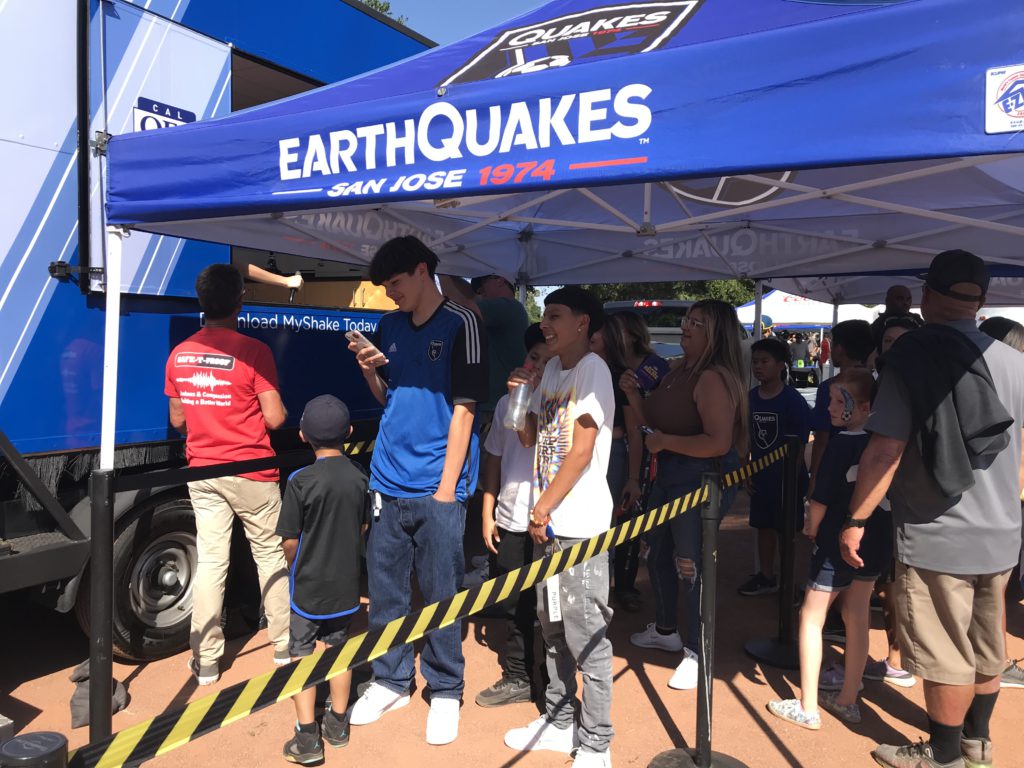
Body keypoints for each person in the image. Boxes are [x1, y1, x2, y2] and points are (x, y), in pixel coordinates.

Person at [840, 250, 1024, 768]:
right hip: (1003, 532)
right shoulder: (1015, 360)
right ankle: (977, 742)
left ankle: (942, 756)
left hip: (936, 529)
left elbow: (884, 451)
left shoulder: (913, 356)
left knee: (945, 654)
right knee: (987, 644)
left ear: (926, 296)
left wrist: (855, 521)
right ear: (981, 300)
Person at [348, 236, 487, 746]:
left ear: (423, 270)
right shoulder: (387, 326)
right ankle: (391, 679)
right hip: (386, 476)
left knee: (440, 588)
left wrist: (447, 488)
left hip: (437, 482)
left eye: (396, 283)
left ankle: (446, 686)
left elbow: (466, 409)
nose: (390, 295)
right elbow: (391, 397)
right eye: (385, 287)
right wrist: (369, 372)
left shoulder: (462, 323)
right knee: (385, 586)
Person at [502, 287, 615, 768]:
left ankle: (597, 744)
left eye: (555, 315)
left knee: (586, 634)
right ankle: (560, 719)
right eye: (545, 315)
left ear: (582, 323)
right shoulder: (550, 370)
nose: (545, 323)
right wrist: (521, 393)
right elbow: (528, 436)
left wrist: (542, 508)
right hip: (548, 522)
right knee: (553, 629)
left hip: (578, 525)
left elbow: (582, 451)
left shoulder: (593, 370)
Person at [165, 264, 291, 685]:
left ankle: (206, 662)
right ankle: (284, 645)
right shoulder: (253, 351)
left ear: (202, 302)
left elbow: (178, 420)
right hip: (253, 469)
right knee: (269, 555)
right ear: (240, 301)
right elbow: (274, 419)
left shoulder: (179, 354)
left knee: (212, 562)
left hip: (204, 470)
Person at [623, 300, 746, 691]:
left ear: (716, 334)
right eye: (686, 319)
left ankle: (697, 651)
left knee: (690, 565)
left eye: (697, 323)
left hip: (699, 481)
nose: (685, 327)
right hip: (669, 476)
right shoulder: (677, 368)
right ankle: (667, 629)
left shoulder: (712, 378)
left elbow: (718, 443)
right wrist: (634, 396)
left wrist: (665, 442)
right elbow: (651, 429)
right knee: (657, 551)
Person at [768, 369, 890, 730]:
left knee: (811, 614)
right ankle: (849, 698)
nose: (832, 408)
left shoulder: (841, 444)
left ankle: (807, 705)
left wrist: (811, 525)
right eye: (833, 400)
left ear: (865, 406)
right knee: (858, 614)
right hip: (875, 537)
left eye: (840, 402)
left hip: (837, 538)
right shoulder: (885, 444)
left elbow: (821, 496)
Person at [278, 396, 368, 765]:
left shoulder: (300, 481)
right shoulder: (360, 476)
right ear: (349, 433)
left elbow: (289, 541)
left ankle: (307, 737)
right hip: (345, 587)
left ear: (302, 436)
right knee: (339, 651)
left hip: (308, 589)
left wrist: (295, 564)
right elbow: (363, 526)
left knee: (301, 654)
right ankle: (338, 723)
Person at [475, 323, 552, 708]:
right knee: (516, 604)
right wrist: (488, 513)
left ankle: (553, 684)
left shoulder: (557, 402)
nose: (535, 367)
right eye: (532, 358)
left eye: (545, 361)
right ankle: (519, 676)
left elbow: (529, 438)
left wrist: (523, 399)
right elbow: (494, 457)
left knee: (550, 607)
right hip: (510, 516)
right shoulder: (507, 403)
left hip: (549, 521)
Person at [739, 338, 811, 597]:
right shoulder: (750, 398)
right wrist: (746, 468)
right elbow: (746, 436)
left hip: (787, 478)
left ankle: (790, 580)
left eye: (765, 362)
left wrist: (792, 478)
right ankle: (766, 575)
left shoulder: (793, 401)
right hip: (761, 476)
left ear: (781, 365)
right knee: (763, 527)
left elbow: (800, 443)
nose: (758, 367)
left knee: (787, 531)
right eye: (755, 362)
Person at [590, 314, 646, 611]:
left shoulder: (621, 374)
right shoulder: (579, 368)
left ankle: (623, 586)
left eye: (594, 332)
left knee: (621, 520)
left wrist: (634, 477)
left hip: (614, 454)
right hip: (585, 455)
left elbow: (635, 430)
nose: (588, 336)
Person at [440, 272, 529, 416]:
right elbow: (472, 297)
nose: (480, 292)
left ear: (500, 280)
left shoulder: (509, 306)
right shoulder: (500, 311)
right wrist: (451, 273)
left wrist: (442, 271)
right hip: (493, 406)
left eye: (482, 286)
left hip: (495, 409)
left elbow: (463, 307)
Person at [808, 320, 874, 493]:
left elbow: (822, 439)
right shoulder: (877, 384)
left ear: (840, 348)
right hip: (871, 466)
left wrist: (814, 478)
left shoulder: (830, 388)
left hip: (836, 467)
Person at [869, 284, 923, 349]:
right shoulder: (877, 326)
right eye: (900, 298)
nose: (905, 303)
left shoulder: (918, 321)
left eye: (908, 299)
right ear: (888, 300)